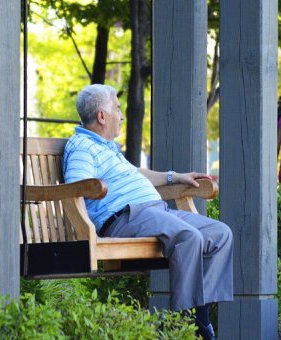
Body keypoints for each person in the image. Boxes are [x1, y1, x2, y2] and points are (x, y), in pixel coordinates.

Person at [62, 84, 233, 339]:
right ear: (101, 116)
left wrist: (175, 177)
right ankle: (187, 326)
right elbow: (77, 185)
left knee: (220, 234)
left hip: (153, 212)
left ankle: (200, 317)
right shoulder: (82, 147)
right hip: (125, 216)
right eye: (117, 109)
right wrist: (103, 187)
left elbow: (136, 173)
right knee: (188, 237)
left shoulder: (107, 148)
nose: (121, 116)